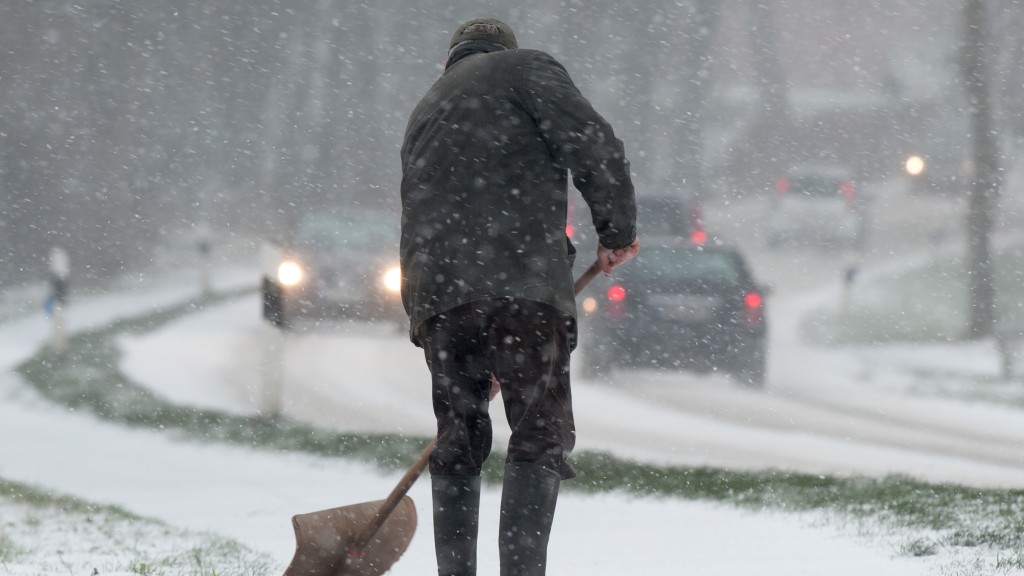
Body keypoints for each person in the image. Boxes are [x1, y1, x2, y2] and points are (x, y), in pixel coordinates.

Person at [399, 17, 639, 576]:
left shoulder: (426, 109)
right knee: (537, 432)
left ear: (451, 61)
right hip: (523, 289)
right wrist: (617, 230)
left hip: (440, 298)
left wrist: (439, 324)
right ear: (501, 50)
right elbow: (593, 143)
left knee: (458, 439)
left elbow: (414, 221)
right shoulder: (526, 68)